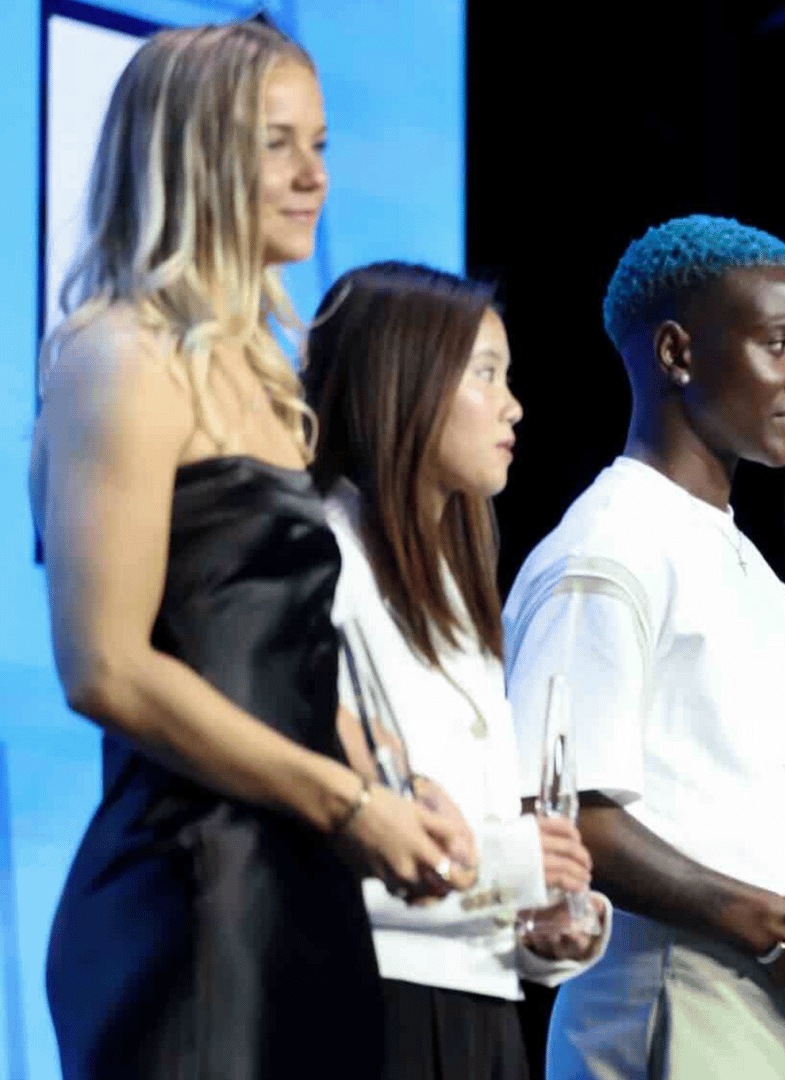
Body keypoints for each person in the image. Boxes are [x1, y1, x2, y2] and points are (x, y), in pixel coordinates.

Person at [33, 21, 465, 1080]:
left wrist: (392, 781)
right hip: (191, 890)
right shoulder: (117, 358)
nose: (314, 176)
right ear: (190, 155)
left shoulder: (269, 378)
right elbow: (107, 668)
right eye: (278, 144)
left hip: (299, 878)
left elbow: (272, 651)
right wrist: (347, 802)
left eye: (319, 143)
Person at [502, 215, 785, 1080]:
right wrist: (780, 928)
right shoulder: (607, 549)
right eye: (779, 344)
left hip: (775, 1011)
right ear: (676, 353)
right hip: (679, 1005)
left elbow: (746, 815)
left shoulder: (745, 565)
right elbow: (568, 816)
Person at [304, 261, 614, 1080]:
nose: (513, 406)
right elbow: (320, 839)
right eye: (484, 374)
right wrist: (513, 867)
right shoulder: (318, 564)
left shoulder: (453, 581)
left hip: (478, 1011)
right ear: (399, 382)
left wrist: (543, 924)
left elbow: (480, 846)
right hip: (368, 1003)